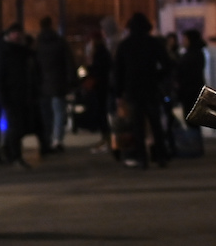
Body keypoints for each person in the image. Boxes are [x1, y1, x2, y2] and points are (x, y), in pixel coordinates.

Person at [113, 12, 174, 168]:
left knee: (137, 125)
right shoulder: (153, 43)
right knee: (155, 124)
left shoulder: (125, 45)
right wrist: (157, 77)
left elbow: (118, 71)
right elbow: (167, 64)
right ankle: (160, 156)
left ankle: (142, 158)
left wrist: (119, 92)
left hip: (132, 88)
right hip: (151, 87)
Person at [0, 23, 40, 164]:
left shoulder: (18, 51)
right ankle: (14, 154)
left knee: (17, 126)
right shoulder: (3, 52)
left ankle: (8, 152)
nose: (18, 36)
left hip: (20, 94)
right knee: (16, 126)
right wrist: (2, 97)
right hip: (12, 95)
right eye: (15, 33)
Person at [34, 17, 74, 152]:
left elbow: (34, 66)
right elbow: (69, 62)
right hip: (58, 82)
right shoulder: (59, 41)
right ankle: (57, 140)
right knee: (59, 113)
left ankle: (48, 138)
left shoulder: (38, 44)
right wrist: (70, 80)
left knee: (47, 115)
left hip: (43, 84)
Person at [176, 28, 209, 156]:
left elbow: (185, 72)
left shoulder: (192, 55)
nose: (183, 41)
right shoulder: (196, 53)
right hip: (194, 89)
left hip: (190, 90)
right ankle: (196, 145)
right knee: (193, 118)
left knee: (192, 118)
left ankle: (195, 147)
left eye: (185, 39)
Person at [81, 24, 114, 152]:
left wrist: (89, 70)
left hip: (100, 87)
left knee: (102, 114)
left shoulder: (100, 53)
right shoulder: (102, 52)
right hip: (102, 87)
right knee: (102, 114)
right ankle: (106, 138)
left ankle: (107, 138)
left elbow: (98, 70)